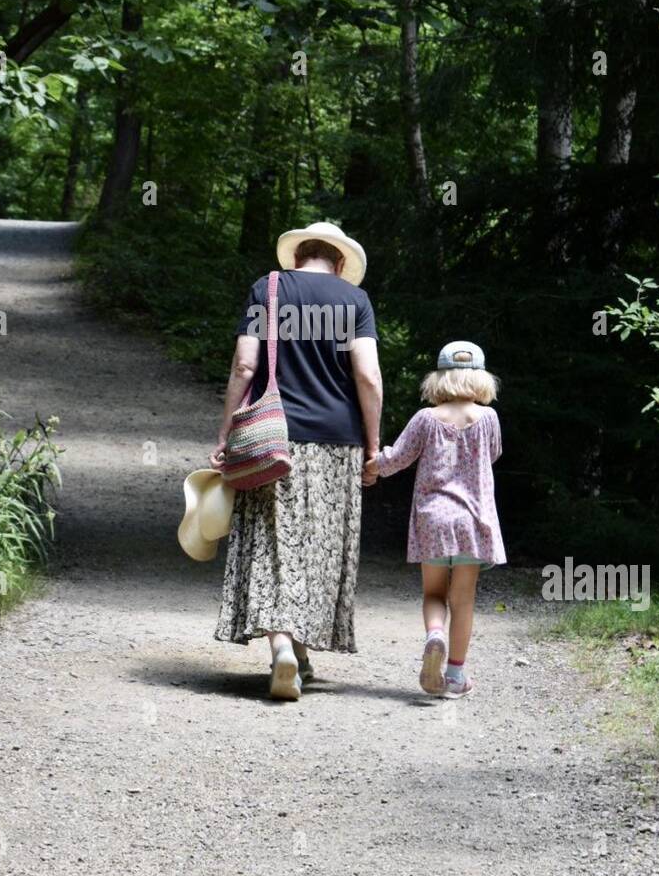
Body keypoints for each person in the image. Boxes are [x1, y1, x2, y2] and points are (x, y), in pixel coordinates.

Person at [212, 222, 382, 700]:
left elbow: (245, 366)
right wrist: (373, 446)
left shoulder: (268, 290)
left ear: (298, 255)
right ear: (341, 262)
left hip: (273, 437)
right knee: (319, 546)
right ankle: (300, 650)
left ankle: (285, 649)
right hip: (337, 440)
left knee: (273, 542)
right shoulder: (355, 302)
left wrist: (226, 431)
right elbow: (367, 377)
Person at [364, 341, 504, 698]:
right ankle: (456, 676)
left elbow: (397, 458)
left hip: (433, 520)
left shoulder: (426, 419)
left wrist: (370, 467)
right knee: (464, 599)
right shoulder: (488, 419)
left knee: (433, 593)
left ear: (439, 378)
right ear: (481, 378)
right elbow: (494, 455)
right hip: (474, 520)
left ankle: (434, 635)